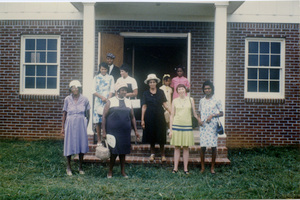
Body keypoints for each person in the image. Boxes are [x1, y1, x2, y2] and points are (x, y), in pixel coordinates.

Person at [102, 82, 140, 178]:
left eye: (125, 90)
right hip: (113, 131)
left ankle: (122, 171)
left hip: (125, 131)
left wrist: (136, 130)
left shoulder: (128, 102)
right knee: (113, 152)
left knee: (123, 152)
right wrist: (104, 131)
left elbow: (132, 117)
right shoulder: (110, 101)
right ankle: (110, 171)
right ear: (117, 91)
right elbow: (104, 116)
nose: (124, 92)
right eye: (122, 90)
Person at [61, 80, 90, 176]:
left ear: (80, 88)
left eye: (76, 87)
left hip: (81, 123)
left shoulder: (85, 99)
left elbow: (88, 114)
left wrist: (85, 124)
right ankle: (68, 167)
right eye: (73, 87)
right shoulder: (67, 99)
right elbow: (64, 113)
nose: (75, 89)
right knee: (69, 144)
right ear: (70, 89)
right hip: (70, 122)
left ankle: (80, 167)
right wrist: (62, 127)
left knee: (81, 144)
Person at [169, 84, 198, 174]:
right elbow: (172, 115)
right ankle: (175, 168)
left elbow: (195, 114)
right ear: (177, 91)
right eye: (179, 89)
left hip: (187, 126)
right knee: (177, 147)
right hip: (176, 125)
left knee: (186, 147)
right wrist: (170, 130)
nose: (181, 90)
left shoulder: (191, 100)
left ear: (185, 90)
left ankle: (186, 169)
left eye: (182, 89)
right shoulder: (174, 101)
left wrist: (200, 121)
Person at [141, 74, 171, 162]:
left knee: (161, 134)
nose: (152, 84)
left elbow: (165, 104)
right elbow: (144, 106)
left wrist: (171, 112)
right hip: (149, 115)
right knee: (151, 134)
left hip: (159, 115)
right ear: (148, 83)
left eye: (154, 82)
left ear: (156, 83)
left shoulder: (161, 92)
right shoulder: (145, 93)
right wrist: (142, 120)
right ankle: (152, 154)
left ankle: (162, 154)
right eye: (150, 82)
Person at [198, 81, 223, 175]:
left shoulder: (216, 100)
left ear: (212, 89)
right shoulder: (201, 100)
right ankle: (202, 167)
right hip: (203, 126)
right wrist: (199, 120)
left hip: (212, 126)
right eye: (205, 89)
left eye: (209, 88)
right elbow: (199, 112)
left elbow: (221, 113)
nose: (207, 90)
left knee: (213, 147)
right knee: (203, 147)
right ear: (203, 90)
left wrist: (212, 115)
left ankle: (212, 167)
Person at [93, 62, 114, 145]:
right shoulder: (96, 78)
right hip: (99, 101)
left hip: (108, 101)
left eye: (105, 69)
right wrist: (101, 97)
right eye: (102, 69)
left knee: (107, 120)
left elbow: (112, 89)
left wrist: (108, 99)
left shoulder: (111, 77)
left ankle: (107, 140)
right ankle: (99, 140)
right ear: (99, 69)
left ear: (107, 69)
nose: (103, 71)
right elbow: (93, 90)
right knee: (98, 121)